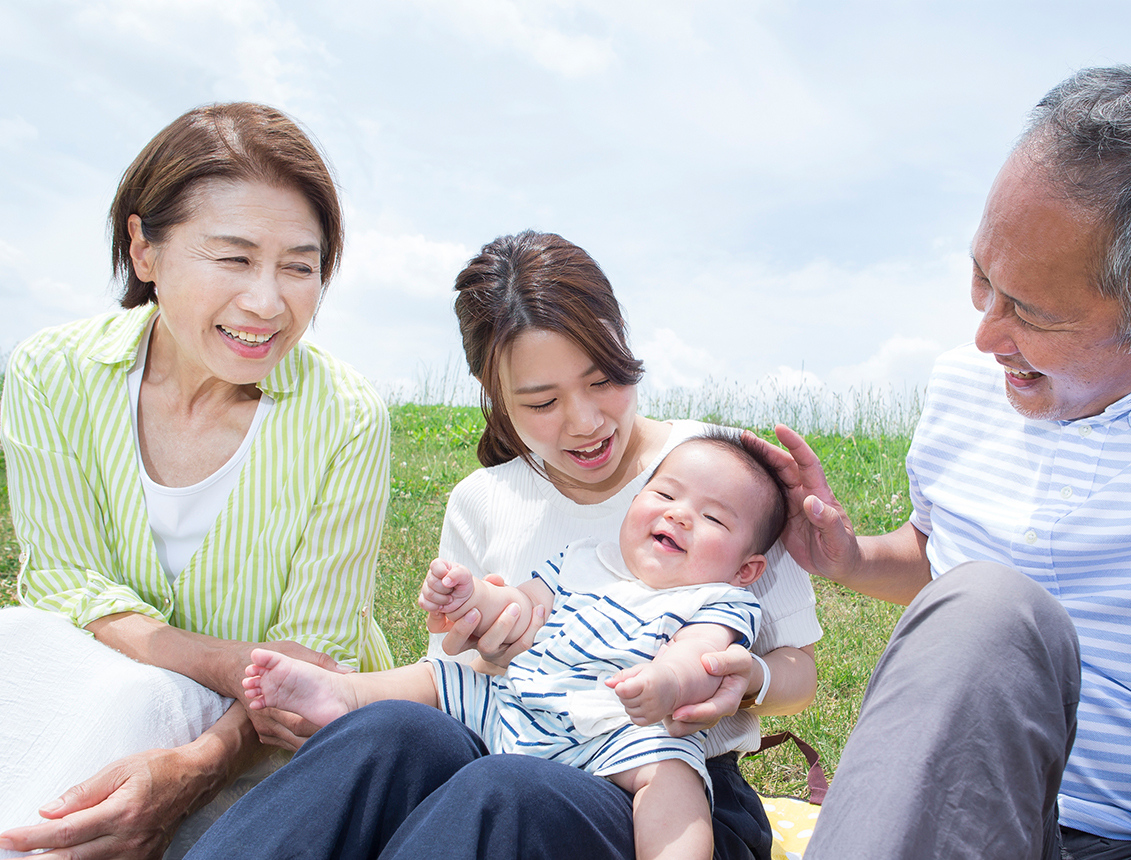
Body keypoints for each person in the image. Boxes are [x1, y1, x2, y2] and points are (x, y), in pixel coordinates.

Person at [753, 66, 1131, 860]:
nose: (986, 336)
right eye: (982, 279)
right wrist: (853, 556)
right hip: (992, 828)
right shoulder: (968, 386)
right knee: (982, 607)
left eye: (1030, 313)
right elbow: (939, 559)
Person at [184, 230, 822, 860]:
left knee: (505, 789)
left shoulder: (724, 473)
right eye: (541, 402)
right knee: (387, 730)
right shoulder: (484, 500)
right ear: (498, 403)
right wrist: (480, 628)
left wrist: (747, 681)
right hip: (515, 739)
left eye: (602, 381)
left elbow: (801, 669)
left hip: (662, 794)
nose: (585, 421)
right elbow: (458, 686)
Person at [0, 103, 392, 859]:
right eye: (234, 257)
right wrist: (222, 661)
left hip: (274, 755)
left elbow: (311, 666)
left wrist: (193, 764)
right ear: (143, 249)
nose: (267, 302)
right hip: (104, 711)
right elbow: (61, 581)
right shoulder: (53, 372)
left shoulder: (346, 417)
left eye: (300, 266)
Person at [239, 432, 789, 860]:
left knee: (673, 772)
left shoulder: (715, 599)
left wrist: (666, 682)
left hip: (620, 732)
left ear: (747, 568)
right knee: (443, 678)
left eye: (712, 517)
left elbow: (700, 653)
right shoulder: (584, 561)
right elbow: (519, 607)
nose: (678, 513)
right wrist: (469, 592)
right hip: (521, 706)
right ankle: (347, 695)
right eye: (664, 494)